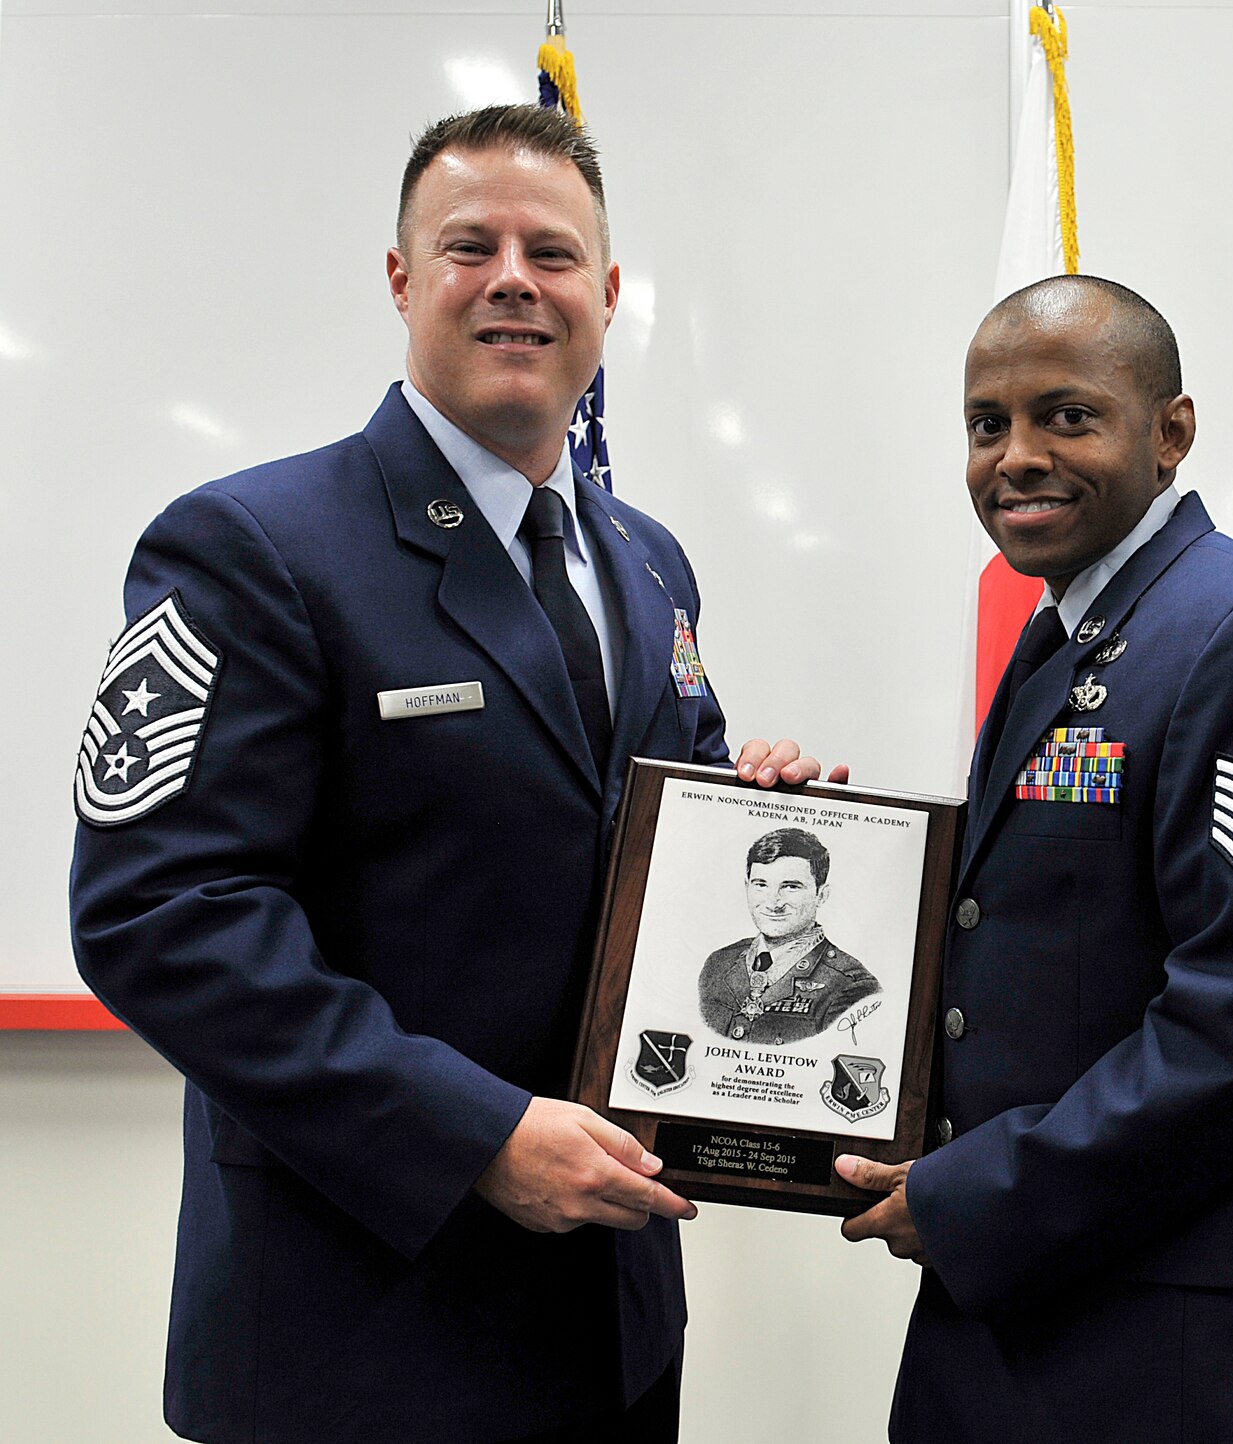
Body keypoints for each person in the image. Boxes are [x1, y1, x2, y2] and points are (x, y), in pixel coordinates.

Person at [68, 104, 838, 1444]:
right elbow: (163, 916)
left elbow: (635, 840)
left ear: (608, 294)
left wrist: (746, 817)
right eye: (470, 246)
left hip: (610, 1323)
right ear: (402, 278)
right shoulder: (253, 546)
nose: (513, 280)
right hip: (359, 1331)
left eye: (553, 253)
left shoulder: (647, 559)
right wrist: (470, 1134)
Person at [838, 275, 1233, 1443]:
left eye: (1067, 416)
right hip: (1027, 1306)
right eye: (986, 424)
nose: (1016, 457)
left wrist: (978, 1194)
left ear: (1170, 432)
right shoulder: (1068, 628)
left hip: (1173, 1344)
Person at [697, 826, 880, 1043]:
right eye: (761, 885)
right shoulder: (718, 964)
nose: (773, 903)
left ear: (821, 895)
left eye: (791, 887)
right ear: (747, 887)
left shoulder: (850, 985)